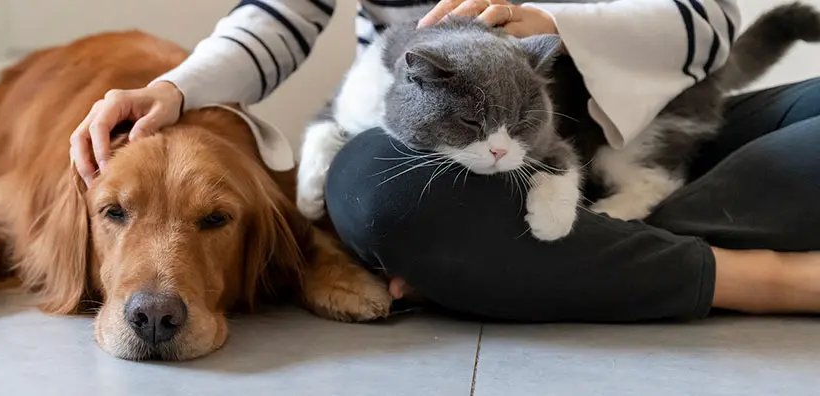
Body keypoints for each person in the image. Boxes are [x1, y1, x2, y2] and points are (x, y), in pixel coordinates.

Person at [70, 0, 820, 321]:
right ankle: (759, 277)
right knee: (374, 194)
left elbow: (707, 21)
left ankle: (538, 261)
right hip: (436, 155)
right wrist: (176, 87)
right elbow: (279, 15)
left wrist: (558, 20)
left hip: (645, 128)